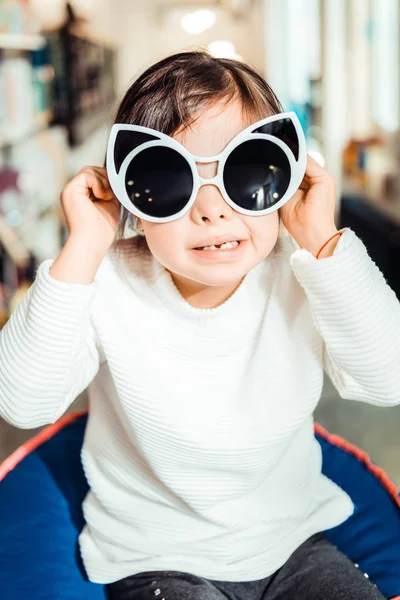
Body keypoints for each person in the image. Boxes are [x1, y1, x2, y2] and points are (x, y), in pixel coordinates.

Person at [0, 51, 399, 600]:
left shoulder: (308, 273)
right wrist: (85, 244)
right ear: (127, 197)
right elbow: (24, 402)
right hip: (153, 554)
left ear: (288, 176)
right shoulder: (107, 280)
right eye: (167, 178)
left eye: (248, 170)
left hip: (292, 539)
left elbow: (388, 378)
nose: (212, 209)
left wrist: (324, 243)